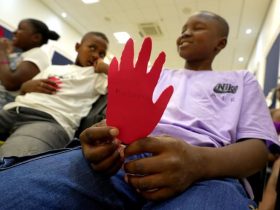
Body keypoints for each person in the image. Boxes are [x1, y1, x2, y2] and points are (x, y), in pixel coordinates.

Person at [0, 11, 278, 210]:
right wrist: (103, 137)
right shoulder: (157, 75)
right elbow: (120, 120)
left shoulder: (240, 80)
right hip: (124, 158)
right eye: (183, 28)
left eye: (198, 27)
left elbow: (256, 151)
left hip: (210, 172)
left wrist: (200, 163)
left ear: (221, 43)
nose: (186, 33)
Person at [0, 31, 109, 157]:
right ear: (78, 47)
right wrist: (26, 86)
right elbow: (23, 90)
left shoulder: (97, 76)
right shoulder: (53, 68)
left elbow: (128, 84)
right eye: (92, 47)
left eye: (102, 54)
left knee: (11, 166)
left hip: (49, 121)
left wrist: (106, 68)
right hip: (13, 110)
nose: (96, 55)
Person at [0, 18, 60, 109]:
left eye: (20, 29)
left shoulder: (39, 55)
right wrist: (7, 54)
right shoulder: (21, 54)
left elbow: (11, 83)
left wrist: (2, 51)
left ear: (36, 37)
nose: (14, 32)